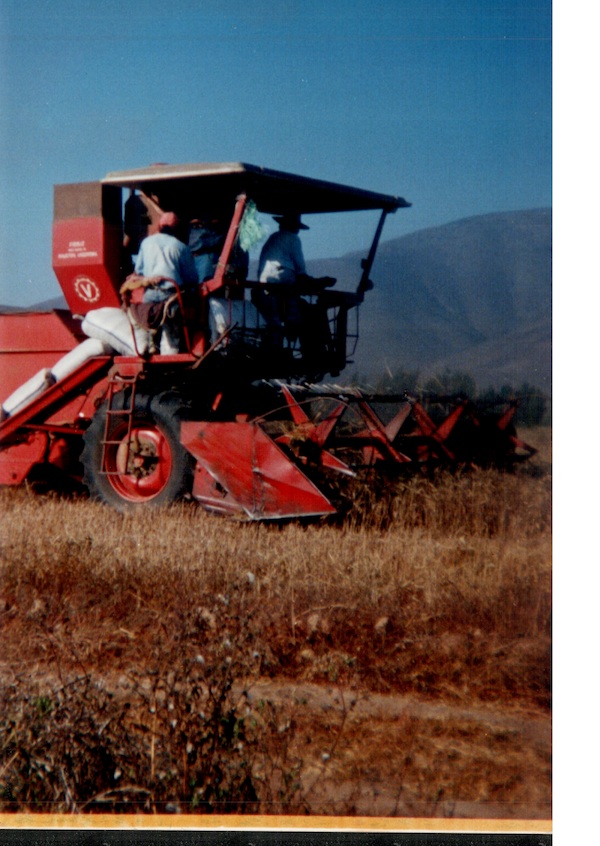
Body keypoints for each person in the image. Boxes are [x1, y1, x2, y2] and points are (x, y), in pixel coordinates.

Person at [255, 214, 334, 354]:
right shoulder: (293, 239)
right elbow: (300, 268)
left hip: (264, 280)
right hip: (283, 278)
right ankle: (294, 333)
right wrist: (316, 282)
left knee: (274, 317)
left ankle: (276, 344)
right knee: (295, 307)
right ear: (295, 228)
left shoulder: (273, 238)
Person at [125, 212, 199, 353]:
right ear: (176, 228)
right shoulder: (181, 247)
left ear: (159, 225)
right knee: (172, 332)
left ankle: (151, 344)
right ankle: (171, 352)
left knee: (147, 324)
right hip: (171, 297)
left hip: (150, 296)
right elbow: (191, 278)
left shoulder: (146, 243)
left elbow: (138, 271)